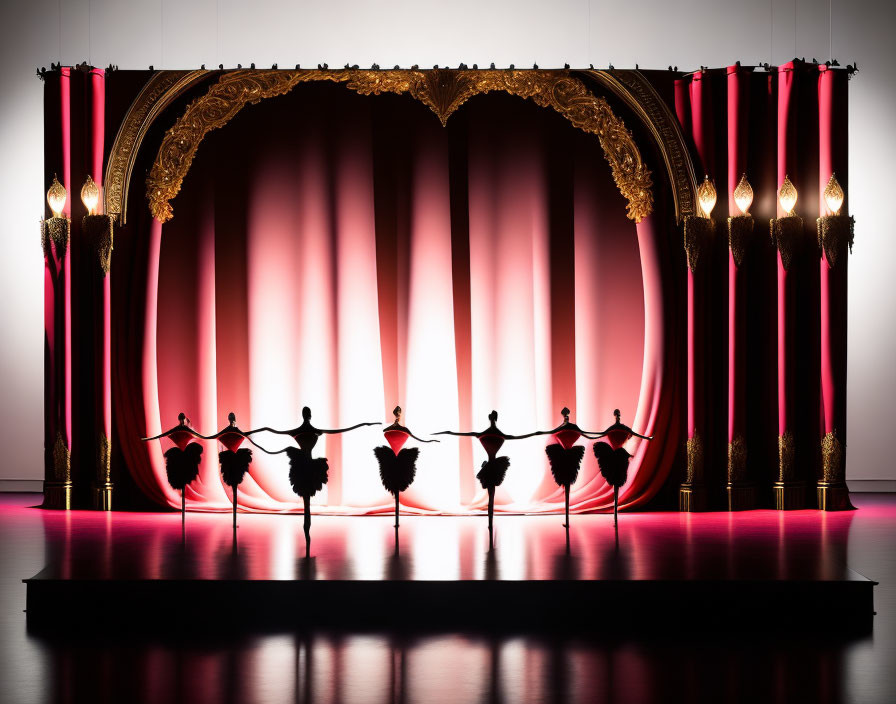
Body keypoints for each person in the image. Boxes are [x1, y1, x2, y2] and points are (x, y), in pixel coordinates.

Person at [248, 407, 379, 557]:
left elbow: (270, 430)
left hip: (307, 467)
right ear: (308, 415)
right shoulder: (308, 431)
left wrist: (365, 424)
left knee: (307, 502)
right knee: (306, 502)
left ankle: (307, 533)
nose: (307, 416)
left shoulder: (309, 430)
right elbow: (271, 431)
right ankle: (307, 533)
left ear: (306, 415)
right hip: (305, 466)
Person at [435, 410, 538, 544]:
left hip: (492, 465)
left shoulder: (487, 434)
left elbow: (467, 434)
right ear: (494, 419)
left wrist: (448, 432)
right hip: (493, 465)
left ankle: (490, 521)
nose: (493, 420)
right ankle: (490, 521)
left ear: (491, 419)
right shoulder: (495, 434)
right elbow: (517, 436)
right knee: (491, 495)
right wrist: (448, 432)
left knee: (491, 495)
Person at [530, 407, 604, 531]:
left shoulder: (568, 428)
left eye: (566, 415)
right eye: (565, 415)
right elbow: (589, 435)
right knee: (567, 481)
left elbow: (588, 435)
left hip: (569, 455)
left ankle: (567, 517)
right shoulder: (566, 428)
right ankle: (567, 517)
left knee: (567, 481)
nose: (566, 416)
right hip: (565, 455)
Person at [373, 405, 438, 529]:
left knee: (396, 486)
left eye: (398, 413)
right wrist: (428, 441)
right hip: (391, 459)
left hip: (400, 459)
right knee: (394, 485)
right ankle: (396, 517)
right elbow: (416, 438)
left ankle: (396, 517)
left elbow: (417, 438)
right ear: (397, 414)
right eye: (397, 413)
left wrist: (429, 441)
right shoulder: (392, 429)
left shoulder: (399, 429)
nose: (398, 414)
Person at [591, 409, 653, 526]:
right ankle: (615, 513)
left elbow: (637, 435)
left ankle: (615, 512)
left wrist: (648, 438)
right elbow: (599, 435)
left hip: (620, 455)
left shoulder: (623, 428)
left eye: (618, 415)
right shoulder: (614, 428)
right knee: (615, 480)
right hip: (613, 455)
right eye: (616, 415)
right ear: (615, 416)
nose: (618, 417)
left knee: (618, 480)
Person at [142, 412, 205, 526]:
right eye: (180, 419)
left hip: (187, 455)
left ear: (185, 420)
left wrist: (212, 437)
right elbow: (163, 434)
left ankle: (183, 503)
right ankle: (182, 503)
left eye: (182, 419)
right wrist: (149, 438)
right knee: (179, 478)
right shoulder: (178, 428)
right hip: (178, 456)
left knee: (185, 477)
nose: (181, 421)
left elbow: (201, 436)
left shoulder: (189, 430)